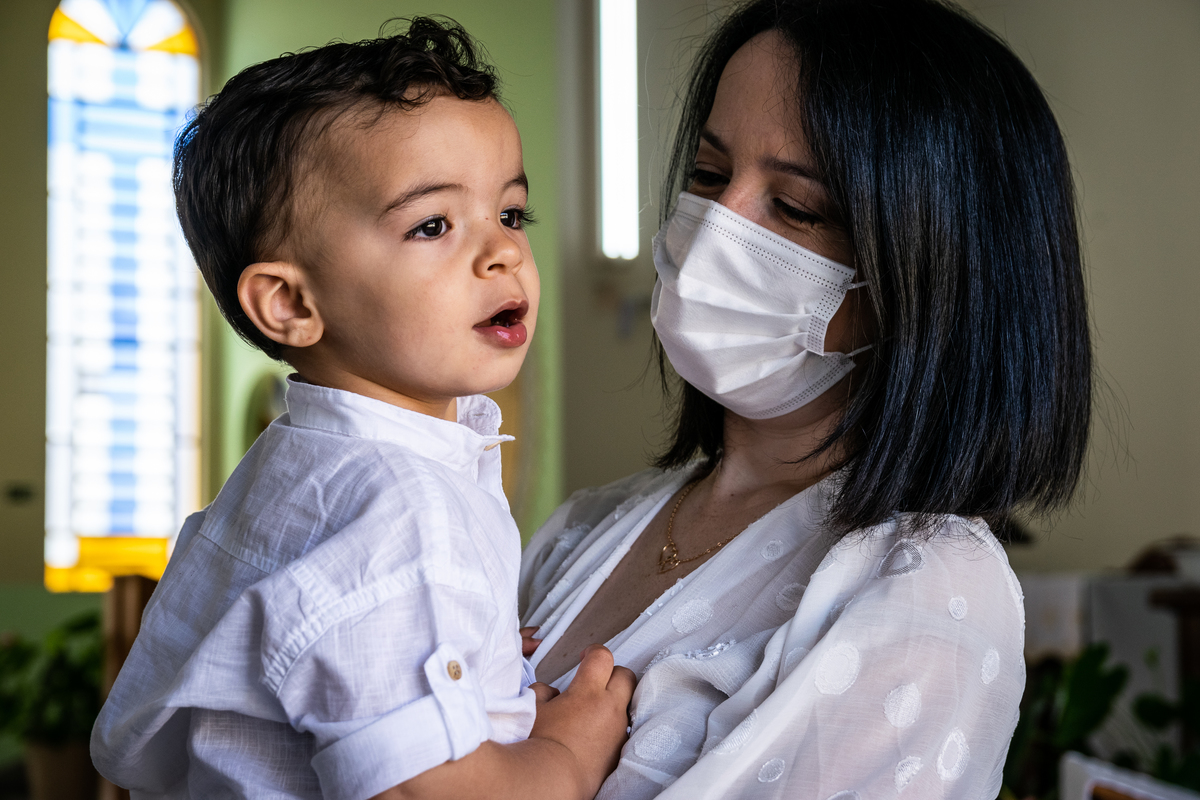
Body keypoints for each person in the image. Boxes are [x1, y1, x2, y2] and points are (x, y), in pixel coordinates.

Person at [520, 0, 1090, 797]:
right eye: (709, 175)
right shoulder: (583, 527)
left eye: (795, 209)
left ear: (931, 272)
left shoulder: (924, 587)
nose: (718, 228)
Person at [90, 18, 634, 800]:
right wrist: (568, 754)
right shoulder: (404, 510)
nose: (504, 252)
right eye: (433, 224)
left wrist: (461, 662)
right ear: (289, 303)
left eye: (511, 214)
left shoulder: (292, 467)